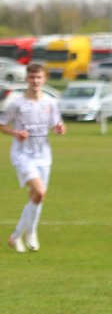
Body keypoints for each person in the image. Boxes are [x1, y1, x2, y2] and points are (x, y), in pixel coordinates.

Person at [1, 63, 65, 253]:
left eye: (39, 78)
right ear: (27, 79)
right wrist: (15, 133)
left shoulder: (50, 103)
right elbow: (2, 124)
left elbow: (55, 125)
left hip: (43, 156)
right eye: (32, 77)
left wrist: (59, 129)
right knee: (40, 192)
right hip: (22, 155)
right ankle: (32, 232)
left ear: (44, 79)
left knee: (36, 196)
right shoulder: (17, 104)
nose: (35, 81)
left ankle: (15, 236)